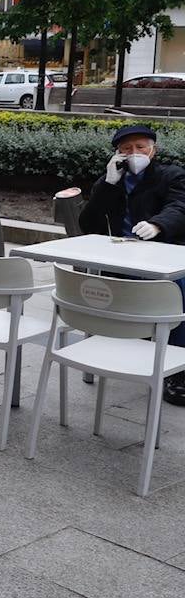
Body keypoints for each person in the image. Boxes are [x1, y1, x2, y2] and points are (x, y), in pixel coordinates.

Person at [78, 124, 185, 405]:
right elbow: (88, 224)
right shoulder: (113, 179)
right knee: (96, 281)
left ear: (153, 150)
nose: (134, 153)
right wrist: (106, 185)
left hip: (164, 255)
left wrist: (157, 224)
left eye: (140, 147)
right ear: (117, 154)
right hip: (121, 257)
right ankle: (102, 345)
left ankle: (178, 368)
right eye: (126, 149)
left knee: (178, 290)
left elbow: (180, 206)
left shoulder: (171, 176)